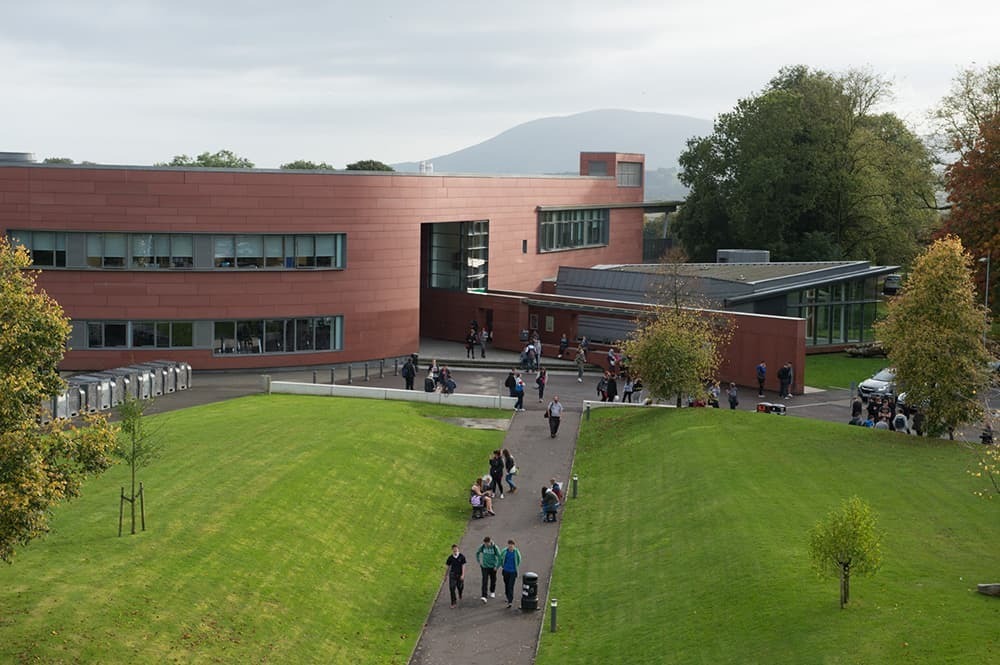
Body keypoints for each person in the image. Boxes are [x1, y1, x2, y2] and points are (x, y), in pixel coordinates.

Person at [476, 536, 503, 603]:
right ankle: (484, 596)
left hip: (493, 567)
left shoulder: (495, 547)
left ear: (490, 542)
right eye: (485, 543)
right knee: (484, 580)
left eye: (487, 544)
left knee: (493, 579)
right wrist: (479, 562)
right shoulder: (482, 546)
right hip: (484, 567)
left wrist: (497, 567)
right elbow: (477, 553)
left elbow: (500, 558)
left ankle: (492, 591)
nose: (486, 545)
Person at [501, 540, 522, 608]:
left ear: (514, 545)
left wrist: (515, 567)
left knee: (510, 586)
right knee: (506, 585)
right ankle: (507, 596)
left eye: (512, 545)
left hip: (513, 572)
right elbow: (501, 558)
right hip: (506, 571)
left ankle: (510, 601)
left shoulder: (516, 552)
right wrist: (502, 565)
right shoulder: (505, 551)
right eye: (509, 544)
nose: (510, 546)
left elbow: (519, 560)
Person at [445, 544, 466, 608]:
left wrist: (463, 574)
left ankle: (460, 593)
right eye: (454, 550)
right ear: (452, 550)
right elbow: (448, 567)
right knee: (452, 588)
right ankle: (453, 602)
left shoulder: (462, 557)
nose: (455, 551)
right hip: (452, 575)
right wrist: (445, 576)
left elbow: (463, 566)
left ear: (458, 549)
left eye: (456, 550)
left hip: (459, 575)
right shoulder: (450, 558)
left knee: (460, 587)